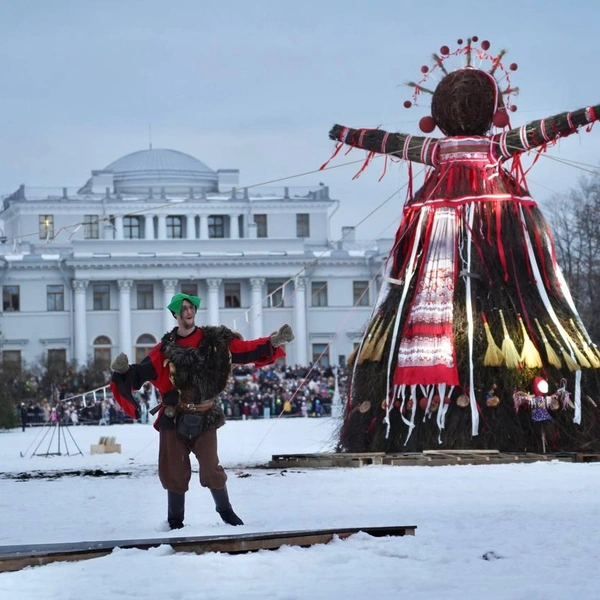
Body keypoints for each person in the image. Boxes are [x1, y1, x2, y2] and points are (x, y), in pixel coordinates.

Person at [325, 37, 600, 452]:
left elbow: (387, 142)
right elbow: (542, 130)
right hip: (493, 231)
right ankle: (535, 422)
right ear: (490, 109)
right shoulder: (493, 147)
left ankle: (414, 418)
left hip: (438, 230)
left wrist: (345, 133)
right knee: (511, 289)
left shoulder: (436, 150)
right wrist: (586, 114)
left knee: (430, 299)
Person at [109, 292, 294, 529]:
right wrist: (124, 371)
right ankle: (175, 521)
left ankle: (226, 513)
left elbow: (243, 349)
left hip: (205, 416)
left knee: (211, 469)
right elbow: (141, 372)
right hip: (173, 418)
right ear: (175, 314)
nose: (189, 311)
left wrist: (273, 341)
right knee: (173, 473)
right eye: (184, 308)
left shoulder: (214, 341)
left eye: (192, 307)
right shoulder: (165, 350)